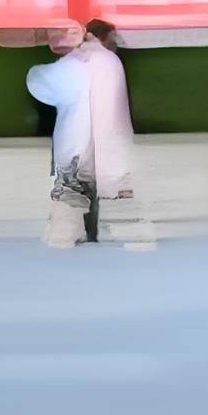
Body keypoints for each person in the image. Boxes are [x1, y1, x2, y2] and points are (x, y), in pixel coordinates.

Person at [25, 17, 147, 248]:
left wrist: (36, 72)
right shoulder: (110, 61)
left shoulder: (74, 63)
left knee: (73, 194)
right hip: (110, 151)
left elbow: (39, 84)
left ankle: (68, 235)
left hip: (75, 150)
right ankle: (119, 233)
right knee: (112, 190)